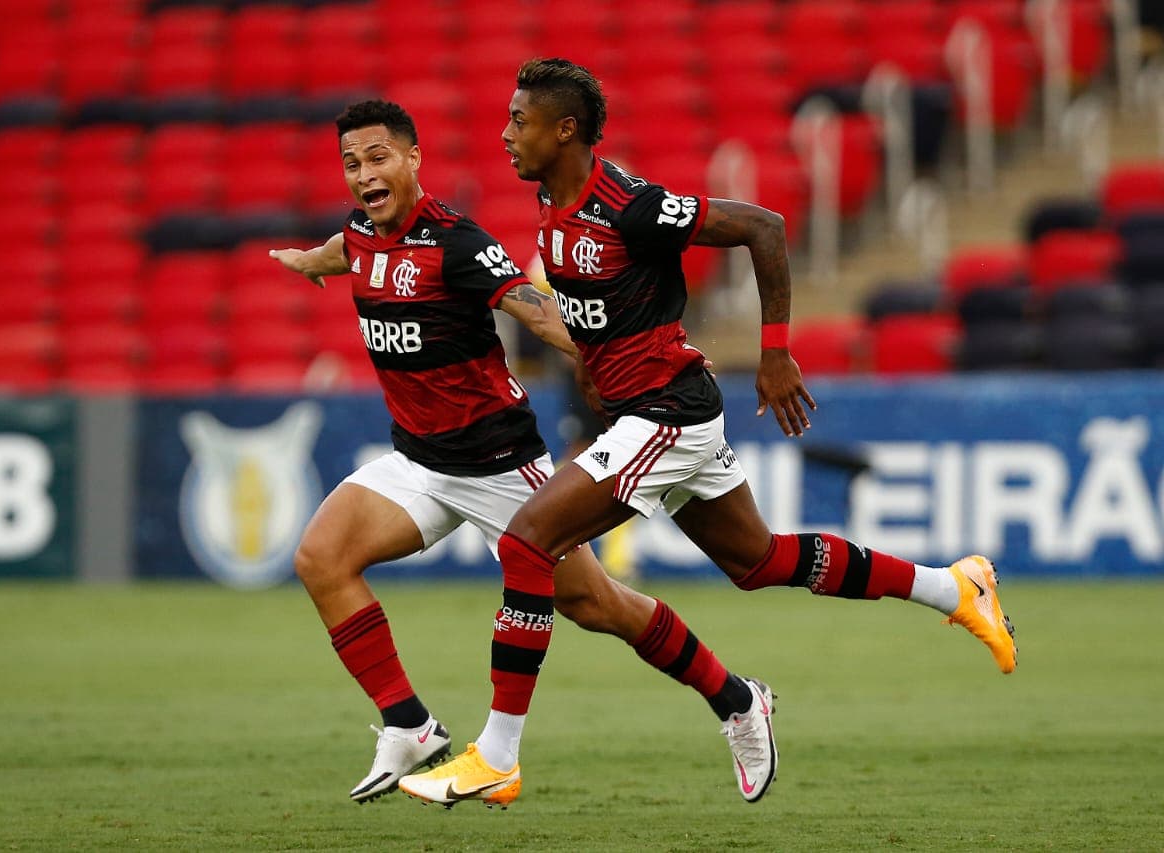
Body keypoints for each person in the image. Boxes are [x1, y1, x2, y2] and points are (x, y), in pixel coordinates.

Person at [398, 58, 1017, 808]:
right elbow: (610, 307)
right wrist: (594, 365)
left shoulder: (627, 204)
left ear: (566, 131)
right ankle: (950, 586)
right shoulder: (549, 204)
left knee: (527, 543)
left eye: (519, 120)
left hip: (667, 412)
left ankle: (496, 753)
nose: (504, 133)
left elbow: (765, 226)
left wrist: (778, 350)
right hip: (650, 409)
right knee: (756, 560)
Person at [270, 99, 778, 807]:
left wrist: (607, 352)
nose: (364, 174)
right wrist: (307, 261)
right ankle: (409, 723)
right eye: (352, 163)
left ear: (413, 159)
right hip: (418, 461)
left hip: (500, 465)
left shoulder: (458, 242)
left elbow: (532, 306)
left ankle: (735, 698)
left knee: (601, 606)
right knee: (320, 557)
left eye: (378, 156)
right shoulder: (361, 234)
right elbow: (344, 248)